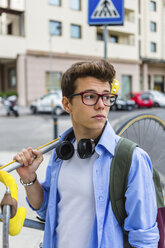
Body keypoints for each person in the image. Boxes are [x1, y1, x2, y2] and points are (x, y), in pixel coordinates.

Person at [14, 59, 159, 248]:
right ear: (67, 104)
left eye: (106, 96)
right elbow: (47, 210)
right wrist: (29, 178)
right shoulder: (61, 153)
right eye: (90, 96)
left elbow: (145, 239)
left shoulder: (132, 159)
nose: (101, 105)